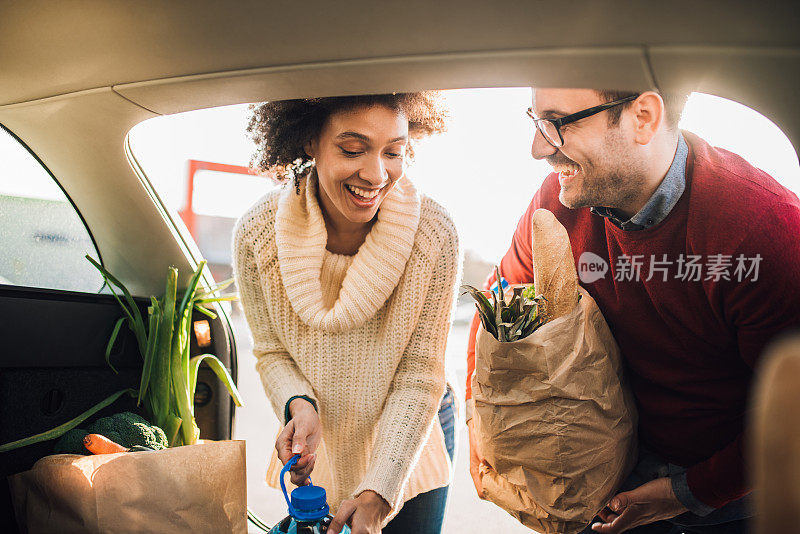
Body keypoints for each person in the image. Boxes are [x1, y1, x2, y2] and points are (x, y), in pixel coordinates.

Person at [465, 88, 800, 533]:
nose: (538, 147)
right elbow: (500, 295)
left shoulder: (760, 232)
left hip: (732, 492)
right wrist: (477, 421)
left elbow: (791, 415)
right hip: (610, 474)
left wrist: (689, 492)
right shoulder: (558, 202)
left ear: (643, 117)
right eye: (535, 120)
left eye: (559, 122)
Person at [233, 93, 459, 534]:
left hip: (411, 431)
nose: (376, 174)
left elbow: (419, 374)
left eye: (394, 152)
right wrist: (297, 405)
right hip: (323, 441)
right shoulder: (258, 233)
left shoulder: (434, 234)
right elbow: (272, 351)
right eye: (353, 149)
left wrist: (379, 491)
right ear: (309, 141)